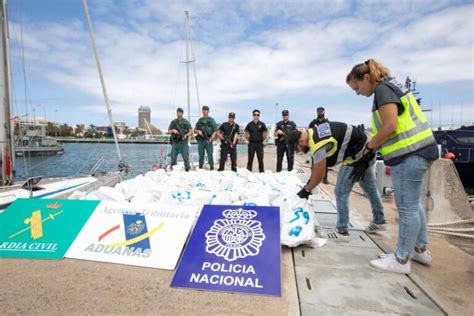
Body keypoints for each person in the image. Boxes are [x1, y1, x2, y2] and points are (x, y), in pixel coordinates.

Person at [346, 59, 439, 274]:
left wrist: (369, 146)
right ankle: (419, 249)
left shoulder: (383, 90)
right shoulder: (393, 86)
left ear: (366, 78)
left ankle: (400, 260)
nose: (358, 93)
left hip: (410, 154)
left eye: (357, 87)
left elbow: (390, 126)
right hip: (419, 151)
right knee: (413, 205)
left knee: (406, 208)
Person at [287, 121, 386, 237]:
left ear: (301, 141)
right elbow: (316, 166)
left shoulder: (317, 144)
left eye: (297, 149)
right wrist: (309, 184)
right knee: (369, 187)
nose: (298, 151)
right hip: (368, 146)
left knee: (340, 192)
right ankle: (379, 220)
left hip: (357, 154)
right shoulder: (314, 131)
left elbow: (320, 174)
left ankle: (342, 229)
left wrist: (306, 190)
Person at [167, 107, 193, 171]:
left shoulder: (186, 122)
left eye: (180, 113)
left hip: (183, 142)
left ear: (182, 113)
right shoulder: (173, 122)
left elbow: (191, 132)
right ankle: (173, 170)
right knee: (173, 157)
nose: (179, 114)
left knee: (185, 157)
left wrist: (186, 135)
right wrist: (173, 130)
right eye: (178, 112)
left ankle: (187, 170)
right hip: (175, 142)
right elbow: (168, 131)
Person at [309, 106, 330, 183]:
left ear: (324, 112)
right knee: (314, 163)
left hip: (324, 145)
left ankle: (325, 178)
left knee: (325, 163)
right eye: (318, 112)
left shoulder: (327, 122)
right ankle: (312, 177)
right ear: (317, 112)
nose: (320, 113)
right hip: (315, 145)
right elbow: (309, 133)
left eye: (321, 112)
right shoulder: (313, 123)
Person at [194, 105, 218, 170]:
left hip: (208, 139)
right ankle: (200, 167)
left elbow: (215, 131)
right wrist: (198, 131)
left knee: (210, 154)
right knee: (201, 155)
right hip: (201, 140)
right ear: (202, 111)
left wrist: (211, 138)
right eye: (203, 110)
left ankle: (212, 167)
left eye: (206, 110)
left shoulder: (211, 120)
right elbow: (194, 130)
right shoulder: (200, 120)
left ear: (208, 111)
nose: (204, 112)